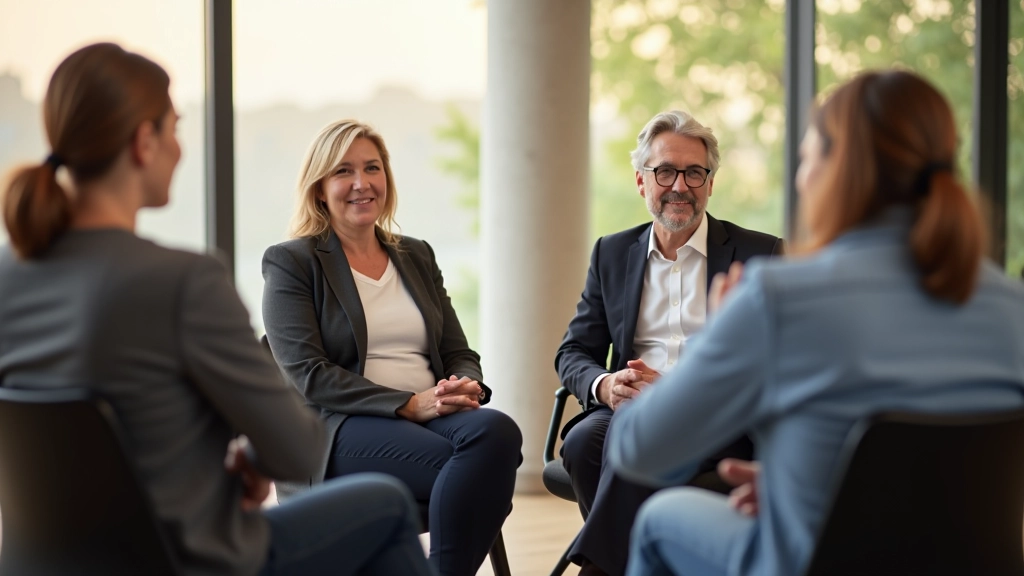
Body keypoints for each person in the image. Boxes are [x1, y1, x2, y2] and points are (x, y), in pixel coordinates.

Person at [0, 43, 437, 576]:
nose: (179, 148)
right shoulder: (183, 282)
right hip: (186, 561)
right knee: (385, 505)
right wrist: (247, 458)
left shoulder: (8, 275)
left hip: (38, 563)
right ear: (144, 142)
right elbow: (298, 450)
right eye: (175, 127)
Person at [608, 70, 1024, 576]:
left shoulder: (777, 297)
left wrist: (714, 335)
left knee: (660, 518)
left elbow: (640, 450)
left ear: (835, 169)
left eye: (805, 158)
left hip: (816, 563)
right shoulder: (1012, 307)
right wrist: (806, 481)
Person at [261, 119, 523, 576]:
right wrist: (408, 404)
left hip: (432, 413)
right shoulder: (291, 262)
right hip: (339, 426)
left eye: (372, 168)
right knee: (478, 472)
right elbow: (309, 375)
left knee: (499, 433)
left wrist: (465, 386)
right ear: (320, 188)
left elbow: (457, 349)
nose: (361, 183)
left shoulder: (415, 254)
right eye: (343, 171)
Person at [554, 110, 783, 575]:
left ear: (710, 183)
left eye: (694, 172)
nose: (680, 185)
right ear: (642, 181)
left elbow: (778, 363)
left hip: (719, 417)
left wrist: (681, 389)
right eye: (665, 172)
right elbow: (573, 351)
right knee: (581, 444)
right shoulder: (611, 252)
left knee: (633, 428)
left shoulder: (760, 253)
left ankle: (598, 568)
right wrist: (605, 385)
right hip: (626, 407)